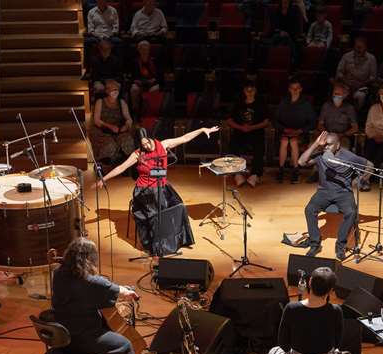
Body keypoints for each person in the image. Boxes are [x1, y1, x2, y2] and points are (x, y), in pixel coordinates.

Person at [51, 237, 144, 354]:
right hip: (83, 342)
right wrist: (129, 292)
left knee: (93, 327)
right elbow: (118, 291)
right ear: (90, 258)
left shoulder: (58, 274)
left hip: (61, 339)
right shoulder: (92, 282)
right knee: (125, 345)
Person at [96, 126, 219, 256]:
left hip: (162, 186)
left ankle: (177, 241)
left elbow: (184, 138)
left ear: (151, 138)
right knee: (157, 213)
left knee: (179, 206)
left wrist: (202, 130)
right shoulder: (138, 154)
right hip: (145, 191)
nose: (147, 146)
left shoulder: (164, 145)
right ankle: (159, 247)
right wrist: (103, 179)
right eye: (143, 145)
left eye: (147, 143)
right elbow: (121, 168)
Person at [299, 131, 371, 259]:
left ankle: (340, 246)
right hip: (323, 192)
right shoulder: (321, 154)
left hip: (343, 193)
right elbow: (301, 162)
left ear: (337, 145)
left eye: (329, 145)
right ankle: (315, 243)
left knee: (351, 212)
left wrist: (359, 181)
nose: (326, 147)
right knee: (309, 210)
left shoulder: (349, 156)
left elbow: (369, 165)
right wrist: (316, 144)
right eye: (325, 144)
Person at [227, 82, 270, 187]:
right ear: (244, 91)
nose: (250, 92)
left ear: (255, 91)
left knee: (259, 147)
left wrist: (252, 127)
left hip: (256, 131)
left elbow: (266, 121)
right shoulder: (238, 103)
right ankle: (237, 174)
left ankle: (255, 175)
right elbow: (229, 120)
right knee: (233, 145)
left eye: (252, 90)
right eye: (248, 90)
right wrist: (240, 127)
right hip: (240, 131)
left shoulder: (261, 103)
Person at [275, 77, 316, 184]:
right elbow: (275, 119)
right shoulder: (284, 102)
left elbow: (312, 123)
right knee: (284, 141)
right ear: (289, 89)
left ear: (301, 89)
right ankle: (281, 169)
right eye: (293, 88)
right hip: (285, 132)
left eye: (297, 88)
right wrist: (283, 129)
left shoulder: (306, 104)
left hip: (300, 133)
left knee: (293, 141)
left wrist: (300, 131)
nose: (295, 90)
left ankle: (295, 170)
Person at [91, 80, 134, 164]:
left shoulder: (122, 102)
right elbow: (96, 120)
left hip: (119, 129)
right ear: (107, 91)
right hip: (103, 130)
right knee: (109, 145)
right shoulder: (100, 102)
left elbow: (128, 118)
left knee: (127, 141)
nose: (115, 92)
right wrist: (109, 126)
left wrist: (126, 125)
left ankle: (125, 164)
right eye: (113, 90)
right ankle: (104, 164)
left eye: (116, 90)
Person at [335, 36, 377, 112]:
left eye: (361, 47)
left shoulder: (371, 59)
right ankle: (341, 114)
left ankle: (354, 114)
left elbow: (373, 77)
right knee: (338, 96)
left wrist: (361, 84)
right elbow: (339, 72)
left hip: (362, 86)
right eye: (356, 47)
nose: (358, 50)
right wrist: (346, 82)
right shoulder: (346, 56)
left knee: (360, 96)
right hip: (346, 84)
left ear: (365, 47)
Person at [317, 82, 359, 149]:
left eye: (338, 94)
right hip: (326, 135)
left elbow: (355, 128)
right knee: (316, 147)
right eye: (334, 93)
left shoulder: (349, 108)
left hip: (342, 137)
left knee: (342, 148)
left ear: (344, 95)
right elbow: (320, 124)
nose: (335, 96)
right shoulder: (326, 106)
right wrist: (326, 133)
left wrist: (342, 135)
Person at [129, 40, 160, 115]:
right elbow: (133, 76)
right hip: (140, 83)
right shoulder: (135, 61)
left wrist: (154, 80)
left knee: (154, 90)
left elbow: (159, 75)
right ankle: (135, 110)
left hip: (152, 83)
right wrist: (137, 81)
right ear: (138, 50)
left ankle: (150, 111)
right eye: (142, 49)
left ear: (149, 49)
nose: (144, 51)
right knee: (134, 89)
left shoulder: (155, 60)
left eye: (146, 49)